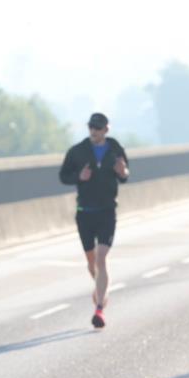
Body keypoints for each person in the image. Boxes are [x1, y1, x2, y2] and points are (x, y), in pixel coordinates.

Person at [59, 112, 130, 329]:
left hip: (107, 211)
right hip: (85, 212)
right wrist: (78, 177)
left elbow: (125, 174)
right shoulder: (78, 151)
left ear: (106, 130)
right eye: (91, 127)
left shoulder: (115, 148)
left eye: (98, 128)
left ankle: (99, 309)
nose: (94, 131)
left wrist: (122, 171)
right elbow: (63, 176)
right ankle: (101, 290)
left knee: (101, 258)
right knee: (92, 263)